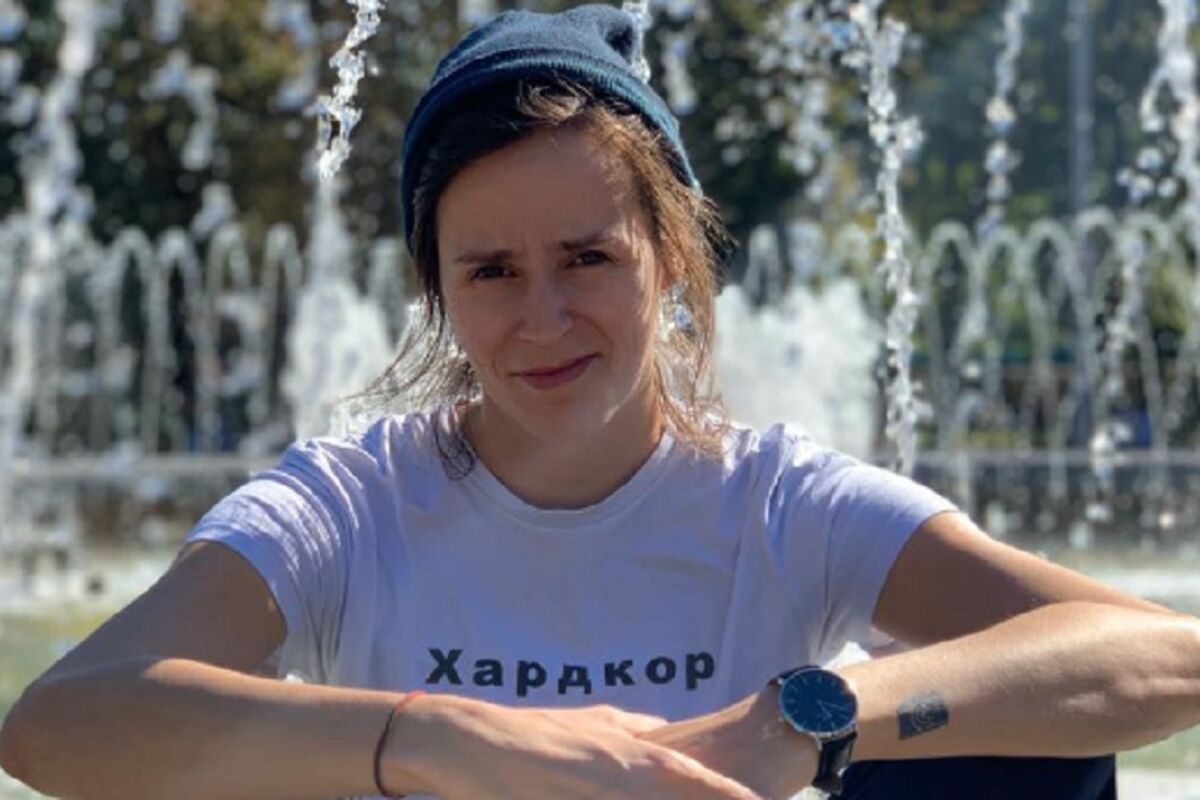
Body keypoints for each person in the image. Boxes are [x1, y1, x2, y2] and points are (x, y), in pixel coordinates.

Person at [2, 5, 1198, 799]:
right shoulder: (349, 503)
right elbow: (59, 721)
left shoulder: (780, 500)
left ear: (669, 258)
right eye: (491, 271)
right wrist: (434, 735)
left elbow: (1161, 654)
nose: (543, 317)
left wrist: (807, 716)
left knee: (1023, 748)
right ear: (436, 288)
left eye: (587, 258)